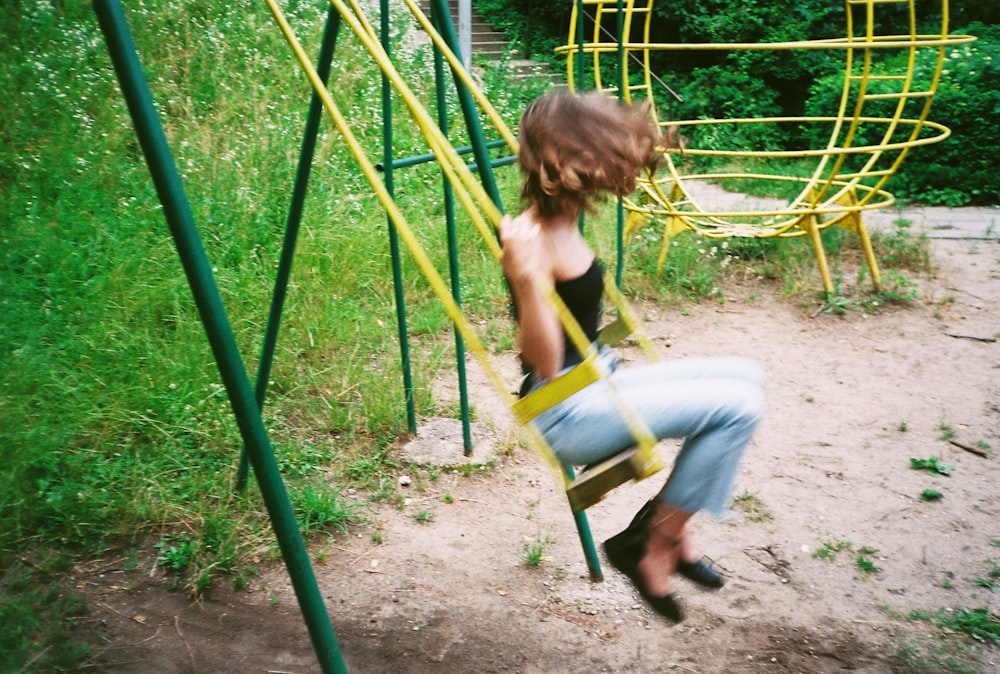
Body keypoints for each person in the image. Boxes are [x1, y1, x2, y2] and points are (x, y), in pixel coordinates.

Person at [499, 91, 765, 624]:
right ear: (565, 158)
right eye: (599, 150)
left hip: (597, 381)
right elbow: (545, 363)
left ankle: (667, 531)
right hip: (566, 411)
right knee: (737, 408)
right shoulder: (530, 241)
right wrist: (526, 278)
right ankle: (653, 542)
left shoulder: (563, 217)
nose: (612, 164)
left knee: (748, 377)